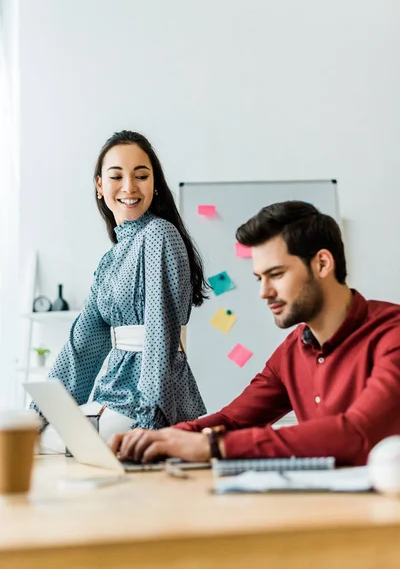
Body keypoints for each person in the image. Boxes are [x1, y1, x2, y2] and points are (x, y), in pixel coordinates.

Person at [109, 200, 400, 467]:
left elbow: (357, 434)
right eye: (260, 278)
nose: (264, 292)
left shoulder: (392, 335)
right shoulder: (291, 351)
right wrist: (160, 438)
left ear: (322, 264)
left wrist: (212, 445)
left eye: (276, 274)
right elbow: (233, 420)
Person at [32, 130, 207, 452]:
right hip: (112, 395)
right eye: (116, 176)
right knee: (36, 436)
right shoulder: (112, 256)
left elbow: (160, 332)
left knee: (52, 445)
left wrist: (151, 418)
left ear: (155, 185)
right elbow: (83, 341)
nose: (129, 187)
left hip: (147, 399)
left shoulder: (159, 234)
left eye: (141, 176)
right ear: (100, 185)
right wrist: (42, 410)